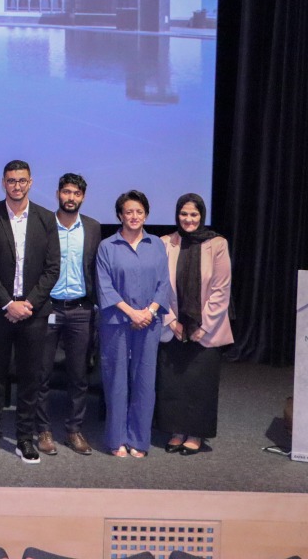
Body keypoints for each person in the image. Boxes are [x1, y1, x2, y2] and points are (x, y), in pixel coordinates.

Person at [0, 160, 61, 464]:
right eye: (11, 180)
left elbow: (52, 268)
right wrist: (7, 303)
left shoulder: (46, 218)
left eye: (22, 180)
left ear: (31, 183)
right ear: (3, 183)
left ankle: (25, 438)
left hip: (33, 312)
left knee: (30, 378)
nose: (17, 186)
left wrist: (28, 304)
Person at [157, 193, 233, 456]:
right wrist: (171, 321)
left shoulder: (217, 244)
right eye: (183, 214)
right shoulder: (165, 243)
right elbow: (159, 286)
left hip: (206, 329)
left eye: (194, 214)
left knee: (200, 383)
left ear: (202, 215)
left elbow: (221, 290)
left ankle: (196, 434)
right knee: (173, 382)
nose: (188, 219)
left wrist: (203, 326)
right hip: (173, 327)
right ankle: (177, 431)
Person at [96, 189, 170, 458]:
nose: (134, 216)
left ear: (146, 215)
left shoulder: (157, 245)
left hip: (149, 322)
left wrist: (148, 312)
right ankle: (117, 439)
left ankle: (139, 439)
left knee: (144, 380)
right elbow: (104, 286)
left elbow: (164, 284)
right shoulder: (107, 246)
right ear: (120, 215)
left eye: (139, 211)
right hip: (116, 322)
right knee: (115, 380)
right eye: (129, 212)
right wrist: (132, 313)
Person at [34, 173, 102, 457]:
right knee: (41, 373)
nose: (70, 197)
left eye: (76, 193)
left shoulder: (93, 227)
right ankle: (43, 430)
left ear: (82, 197)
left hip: (80, 309)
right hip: (48, 307)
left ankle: (74, 430)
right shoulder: (43, 224)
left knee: (78, 375)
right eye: (66, 192)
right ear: (58, 194)